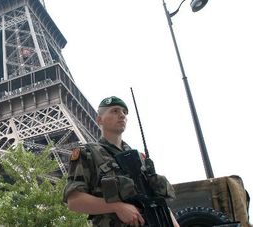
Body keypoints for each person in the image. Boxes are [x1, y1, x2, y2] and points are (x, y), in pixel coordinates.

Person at [63, 96, 180, 226]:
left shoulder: (140, 159)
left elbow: (155, 200)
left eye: (124, 112)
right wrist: (117, 207)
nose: (122, 115)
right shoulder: (87, 153)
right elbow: (74, 201)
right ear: (99, 119)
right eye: (115, 111)